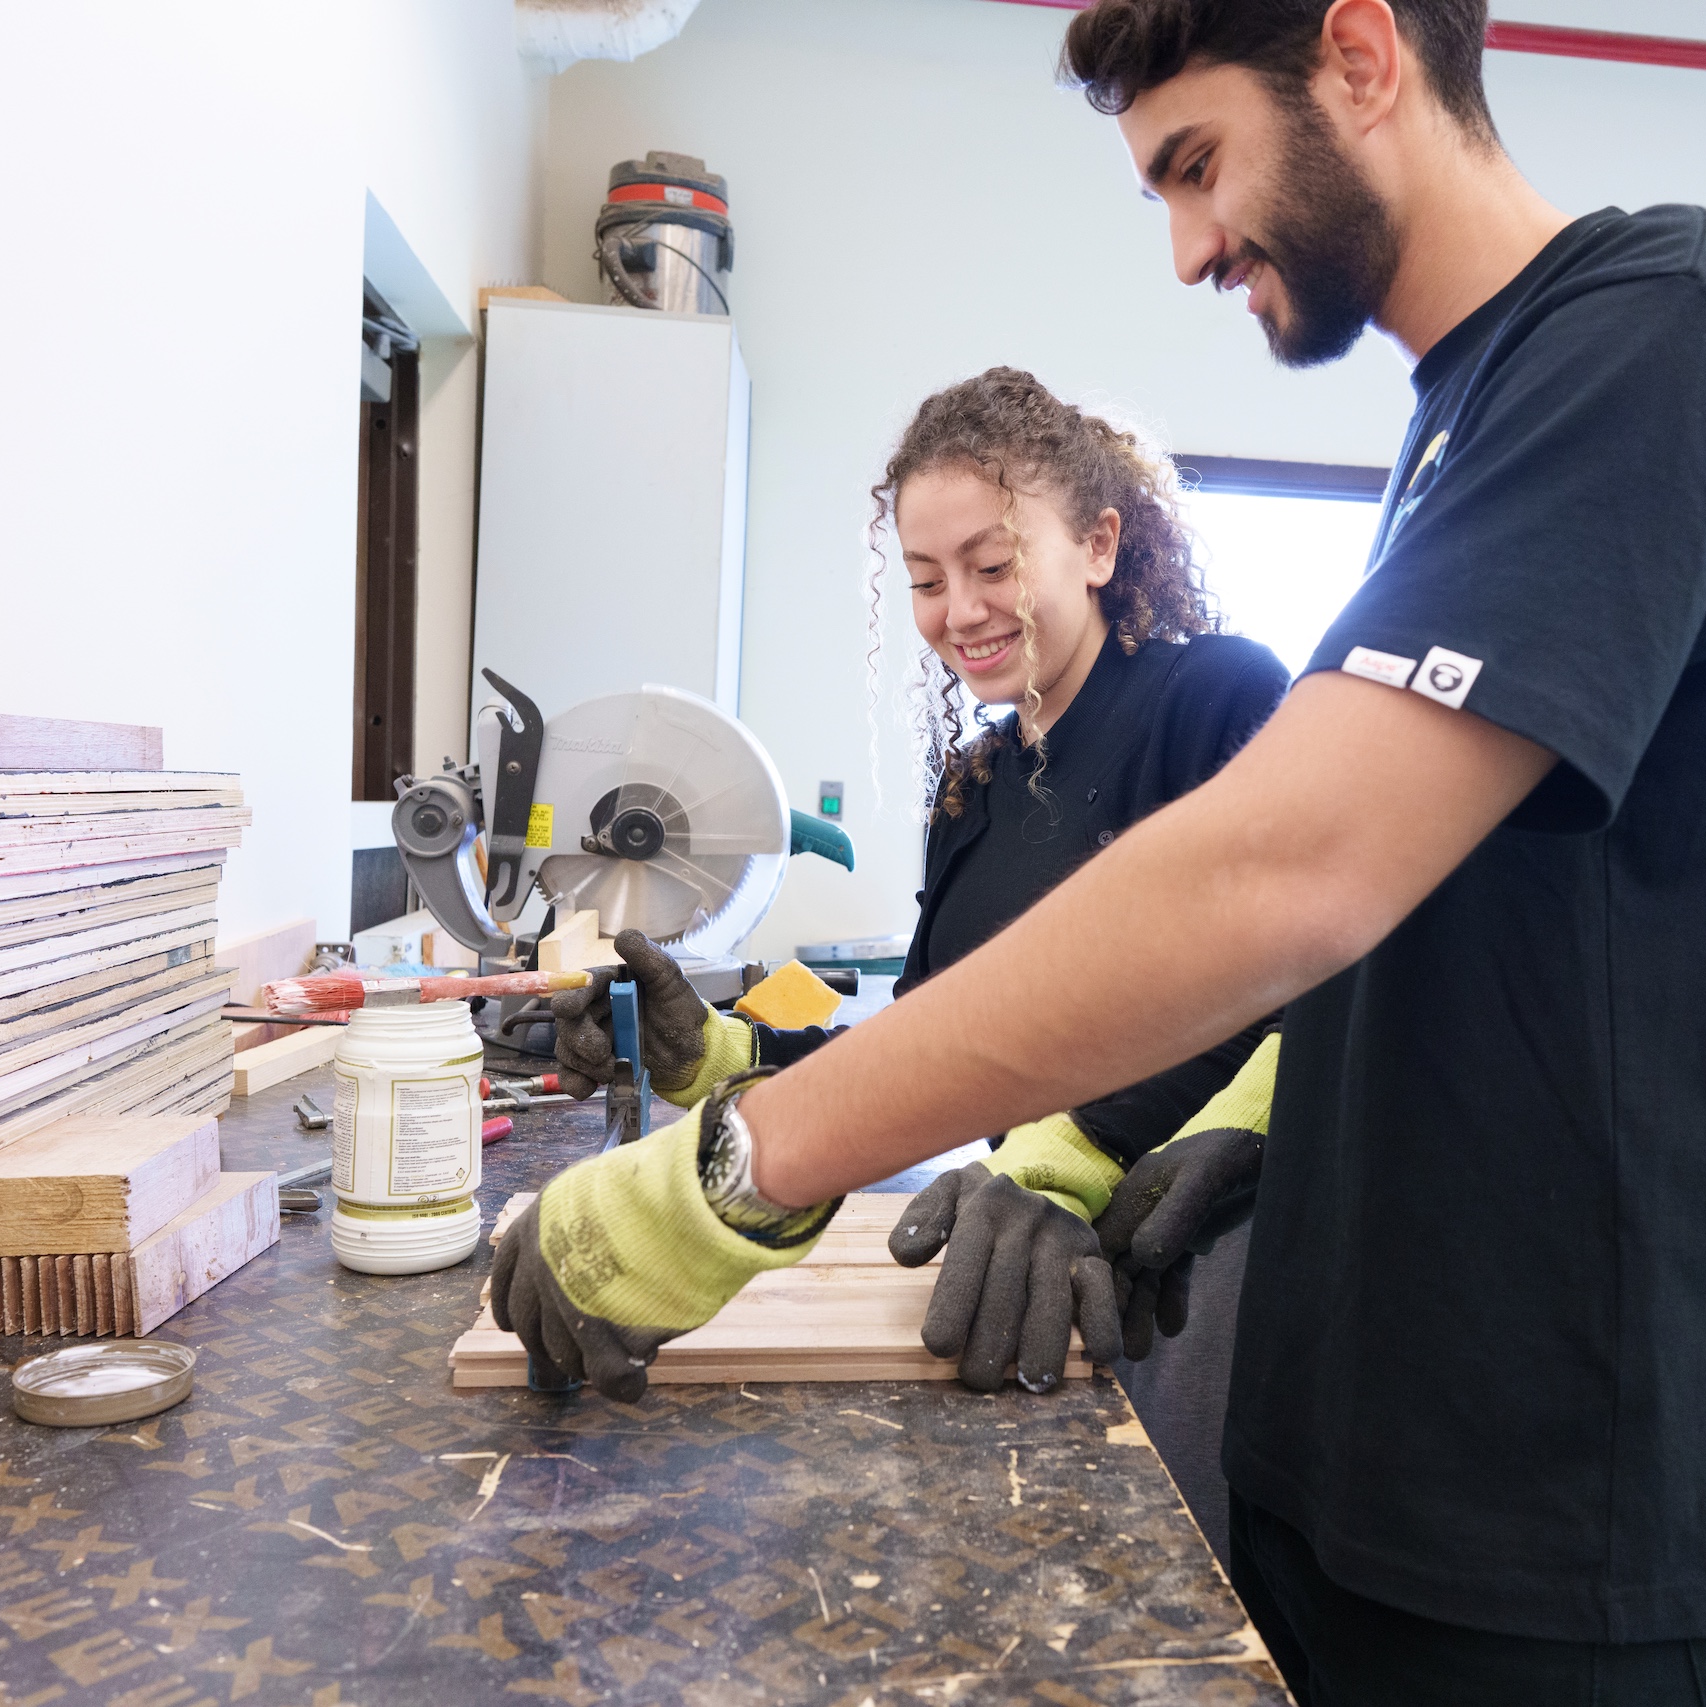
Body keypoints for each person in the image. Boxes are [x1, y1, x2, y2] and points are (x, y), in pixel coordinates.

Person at [489, 1, 1706, 1700]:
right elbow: (1448, 917)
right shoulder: (1461, 437)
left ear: (1362, 52)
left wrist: (737, 1172)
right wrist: (1248, 1121)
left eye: (1198, 164)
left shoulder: (1669, 326)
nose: (1186, 248)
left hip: (1603, 1493)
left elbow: (1289, 870)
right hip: (1384, 1449)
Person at [526, 368, 1285, 1534]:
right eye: (926, 581)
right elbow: (931, 1039)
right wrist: (718, 1055)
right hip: (1016, 1268)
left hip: (1189, 1275)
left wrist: (1075, 1153)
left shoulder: (1213, 696)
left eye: (992, 565)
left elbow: (1266, 984)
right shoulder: (972, 785)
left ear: (1097, 544)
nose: (959, 611)